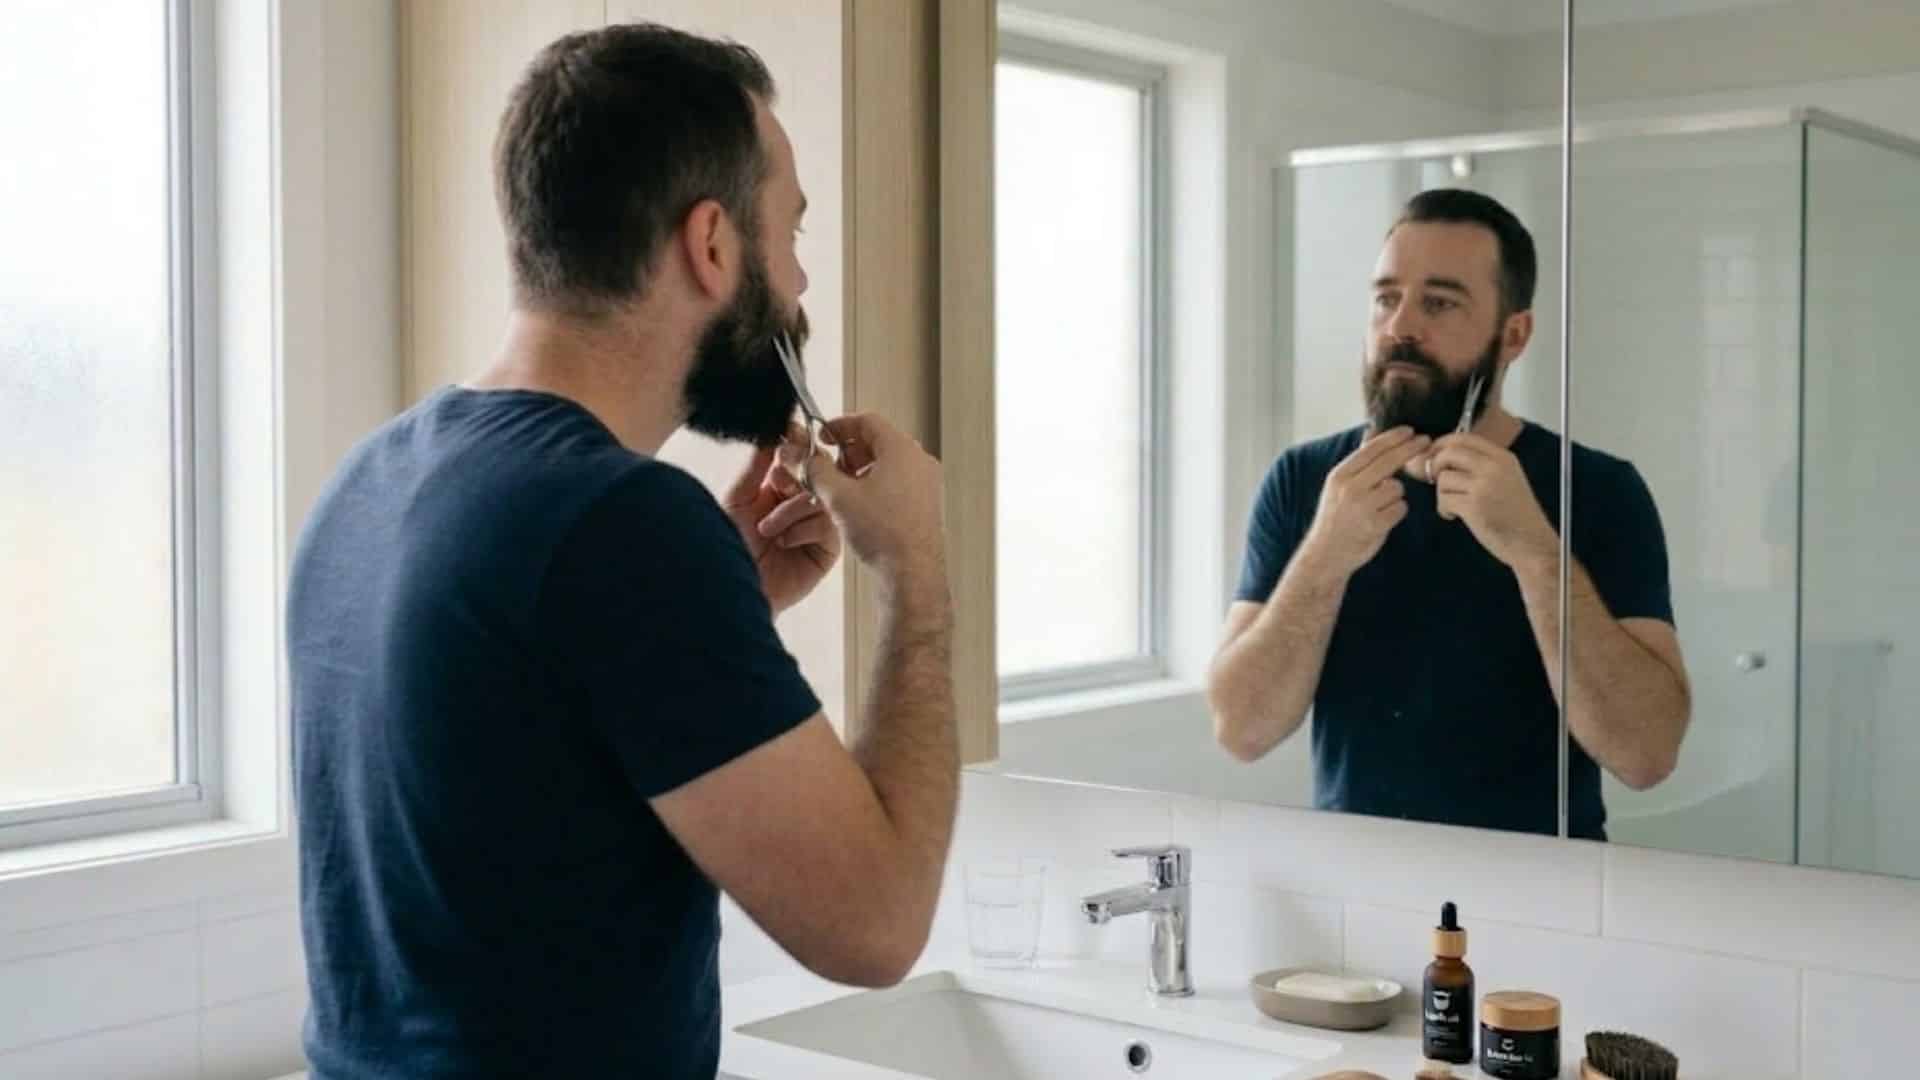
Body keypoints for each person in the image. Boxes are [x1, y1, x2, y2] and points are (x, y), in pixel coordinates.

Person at [288, 24, 956, 1078]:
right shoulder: (624, 523)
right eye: (791, 233)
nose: (798, 286)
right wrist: (915, 582)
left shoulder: (373, 479)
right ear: (712, 244)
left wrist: (723, 597)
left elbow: (527, 763)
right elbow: (877, 931)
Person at [1207, 189, 1690, 839]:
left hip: (1544, 884)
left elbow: (1646, 755)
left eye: (1438, 302)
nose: (1400, 327)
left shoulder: (1599, 489)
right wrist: (1325, 556)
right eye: (1386, 299)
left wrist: (1534, 551)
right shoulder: (1304, 482)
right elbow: (1240, 731)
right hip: (1357, 876)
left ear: (1513, 335)